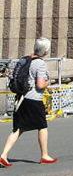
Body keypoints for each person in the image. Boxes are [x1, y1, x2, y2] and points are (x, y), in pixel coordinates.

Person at [0, 37, 58, 168]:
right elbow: (40, 84)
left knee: (18, 128)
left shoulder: (24, 59)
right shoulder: (40, 64)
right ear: (45, 50)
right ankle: (45, 155)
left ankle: (3, 155)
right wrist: (48, 82)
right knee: (42, 126)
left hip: (21, 98)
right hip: (34, 99)